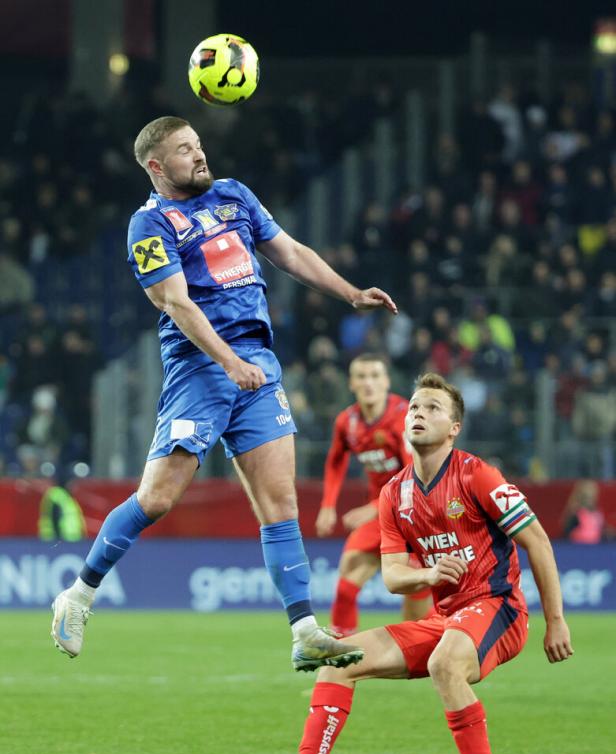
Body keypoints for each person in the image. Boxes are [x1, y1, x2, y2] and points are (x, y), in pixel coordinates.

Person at [50, 116, 397, 670]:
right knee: (159, 498)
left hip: (257, 365)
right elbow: (176, 303)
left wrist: (349, 292)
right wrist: (228, 361)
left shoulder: (234, 196)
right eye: (185, 150)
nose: (200, 155)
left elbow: (290, 250)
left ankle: (304, 631)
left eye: (199, 144)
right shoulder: (150, 224)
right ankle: (79, 594)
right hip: (201, 366)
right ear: (157, 167)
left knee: (279, 504)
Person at [234, 372, 573, 754]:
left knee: (444, 663)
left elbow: (538, 541)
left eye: (433, 408)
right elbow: (393, 576)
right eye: (414, 406)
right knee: (337, 659)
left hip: (498, 608)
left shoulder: (479, 475)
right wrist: (429, 575)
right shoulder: (395, 493)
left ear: (454, 428)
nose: (419, 413)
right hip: (446, 619)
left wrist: (556, 620)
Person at [315, 353, 432, 634]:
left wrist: (372, 507)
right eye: (361, 376)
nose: (368, 383)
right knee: (348, 573)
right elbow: (335, 459)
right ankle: (342, 654)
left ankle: (425, 643)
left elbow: (414, 477)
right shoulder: (347, 422)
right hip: (383, 513)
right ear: (351, 383)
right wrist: (328, 505)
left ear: (387, 382)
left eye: (375, 376)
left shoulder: (404, 418)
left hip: (417, 513)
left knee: (415, 600)